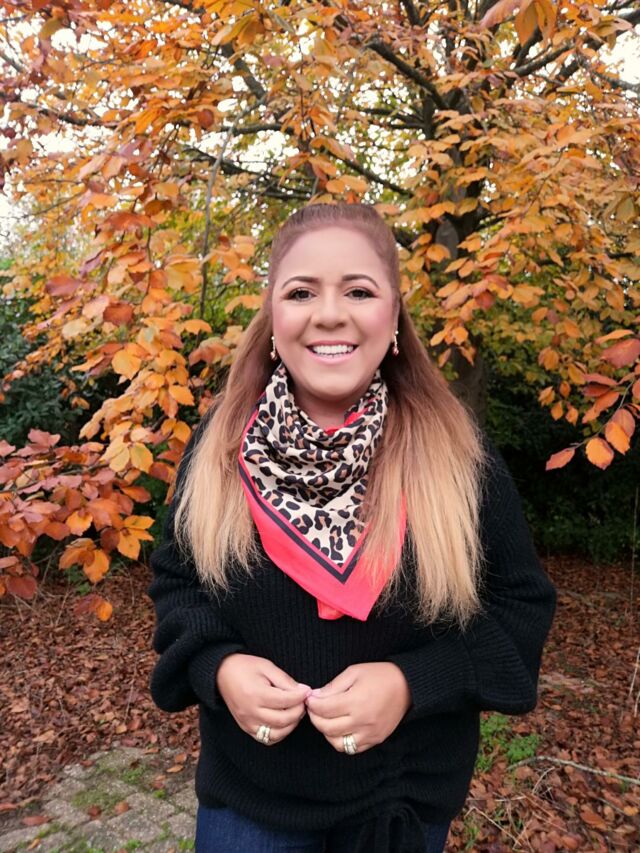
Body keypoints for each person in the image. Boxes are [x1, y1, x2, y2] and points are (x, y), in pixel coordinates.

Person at [148, 202, 557, 853]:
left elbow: (519, 605)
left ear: (393, 318)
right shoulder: (220, 447)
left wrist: (411, 684)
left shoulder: (456, 454)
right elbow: (178, 582)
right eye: (301, 292)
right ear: (273, 317)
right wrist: (218, 667)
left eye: (359, 291)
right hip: (252, 803)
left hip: (400, 804)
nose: (330, 313)